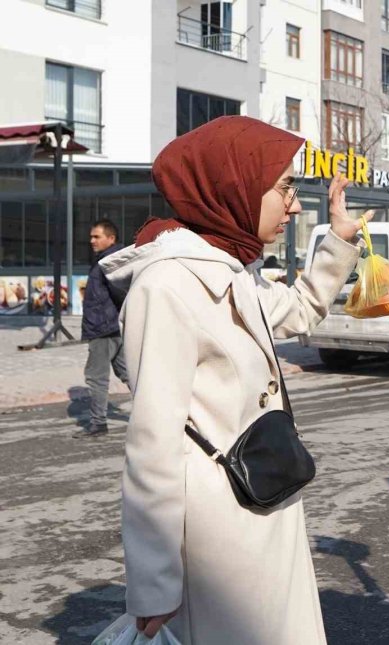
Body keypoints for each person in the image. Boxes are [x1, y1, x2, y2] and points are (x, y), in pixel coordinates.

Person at [101, 116, 372, 644]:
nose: (293, 204)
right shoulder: (169, 285)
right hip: (218, 543)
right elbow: (153, 443)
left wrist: (338, 243)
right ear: (233, 186)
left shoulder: (228, 268)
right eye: (284, 187)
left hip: (262, 506)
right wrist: (155, 584)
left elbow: (295, 309)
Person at [74, 219, 128, 439]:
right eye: (91, 236)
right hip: (112, 328)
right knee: (130, 374)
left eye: (96, 236)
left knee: (96, 377)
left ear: (111, 238)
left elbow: (122, 294)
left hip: (103, 330)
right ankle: (163, 414)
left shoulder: (109, 262)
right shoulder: (107, 260)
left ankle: (98, 423)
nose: (91, 241)